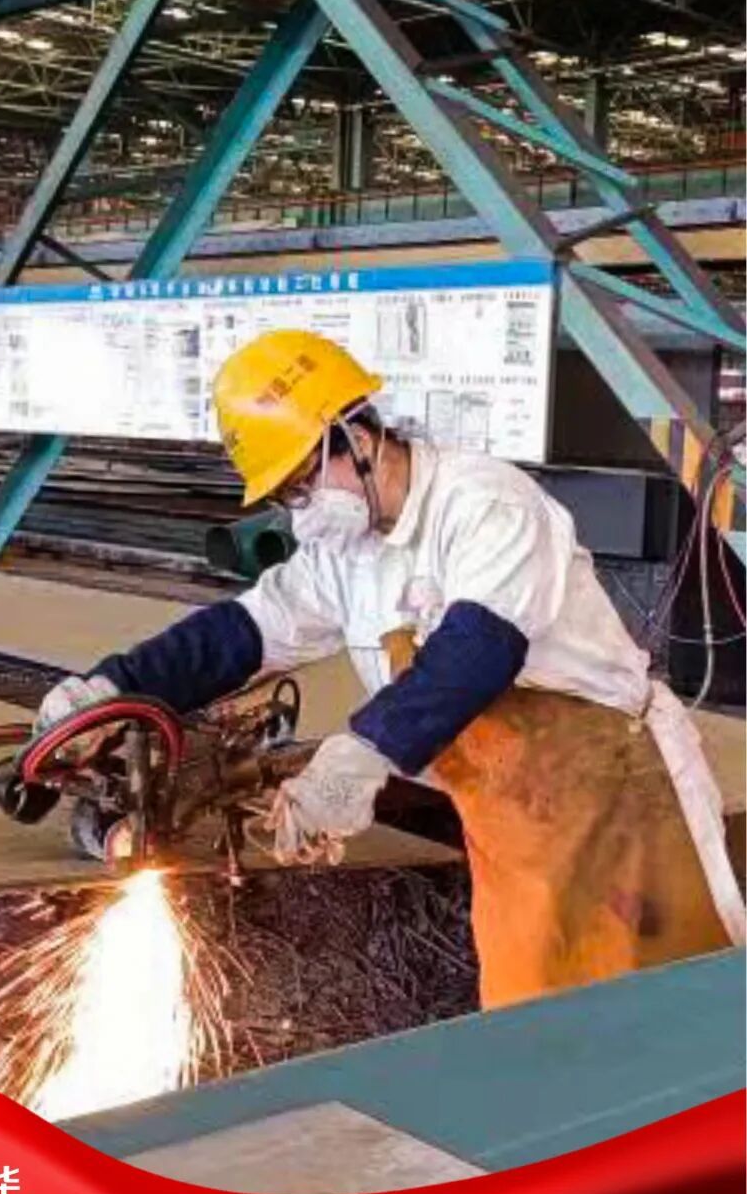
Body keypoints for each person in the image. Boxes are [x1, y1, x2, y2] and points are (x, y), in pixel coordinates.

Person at [38, 329, 745, 1008]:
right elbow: (242, 633)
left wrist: (362, 754)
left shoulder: (483, 503)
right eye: (288, 496)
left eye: (306, 480)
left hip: (619, 802)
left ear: (355, 435)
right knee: (534, 1028)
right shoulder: (344, 557)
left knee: (674, 1006)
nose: (304, 511)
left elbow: (480, 649)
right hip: (512, 829)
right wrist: (113, 687)